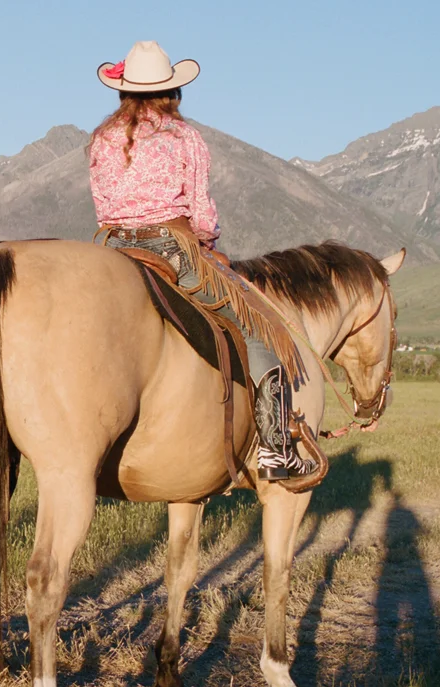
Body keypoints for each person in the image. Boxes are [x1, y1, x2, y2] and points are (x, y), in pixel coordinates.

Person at [88, 39, 313, 481]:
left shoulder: (102, 138)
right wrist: (207, 240)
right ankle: (275, 449)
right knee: (255, 327)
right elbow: (202, 212)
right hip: (171, 248)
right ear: (171, 92)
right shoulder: (183, 136)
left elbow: (101, 208)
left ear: (124, 92)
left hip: (113, 248)